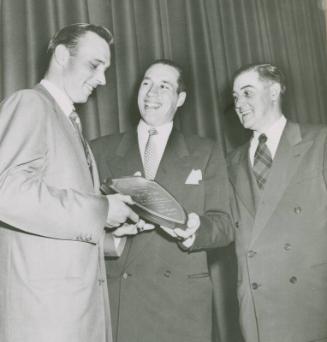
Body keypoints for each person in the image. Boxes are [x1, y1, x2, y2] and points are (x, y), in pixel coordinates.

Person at [0, 23, 142, 342]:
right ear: (62, 55)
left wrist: (110, 238)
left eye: (106, 69)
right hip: (44, 319)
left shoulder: (69, 124)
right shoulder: (30, 104)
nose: (103, 79)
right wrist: (100, 210)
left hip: (73, 316)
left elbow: (55, 230)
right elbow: (5, 192)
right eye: (95, 65)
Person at [177, 63, 327, 342]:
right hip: (258, 308)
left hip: (312, 304)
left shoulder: (320, 142)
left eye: (247, 93)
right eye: (235, 97)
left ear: (273, 92)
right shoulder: (231, 162)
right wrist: (193, 227)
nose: (239, 104)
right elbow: (226, 225)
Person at [91, 59, 233, 342]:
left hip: (182, 304)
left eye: (163, 85)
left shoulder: (205, 151)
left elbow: (225, 225)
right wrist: (114, 236)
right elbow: (85, 223)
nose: (151, 92)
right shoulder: (100, 149)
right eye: (146, 83)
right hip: (122, 301)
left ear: (180, 98)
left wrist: (194, 231)